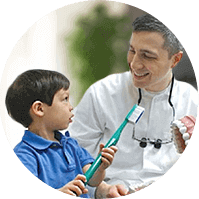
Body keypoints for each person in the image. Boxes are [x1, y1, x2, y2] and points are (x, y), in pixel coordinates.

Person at [68, 14, 198, 193]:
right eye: (132, 51)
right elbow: (72, 155)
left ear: (175, 60)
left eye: (147, 56)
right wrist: (101, 190)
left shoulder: (192, 99)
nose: (135, 64)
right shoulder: (102, 92)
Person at [5, 69, 128, 198]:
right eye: (65, 99)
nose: (71, 107)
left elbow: (92, 180)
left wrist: (101, 166)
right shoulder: (25, 156)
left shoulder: (71, 145)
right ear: (39, 109)